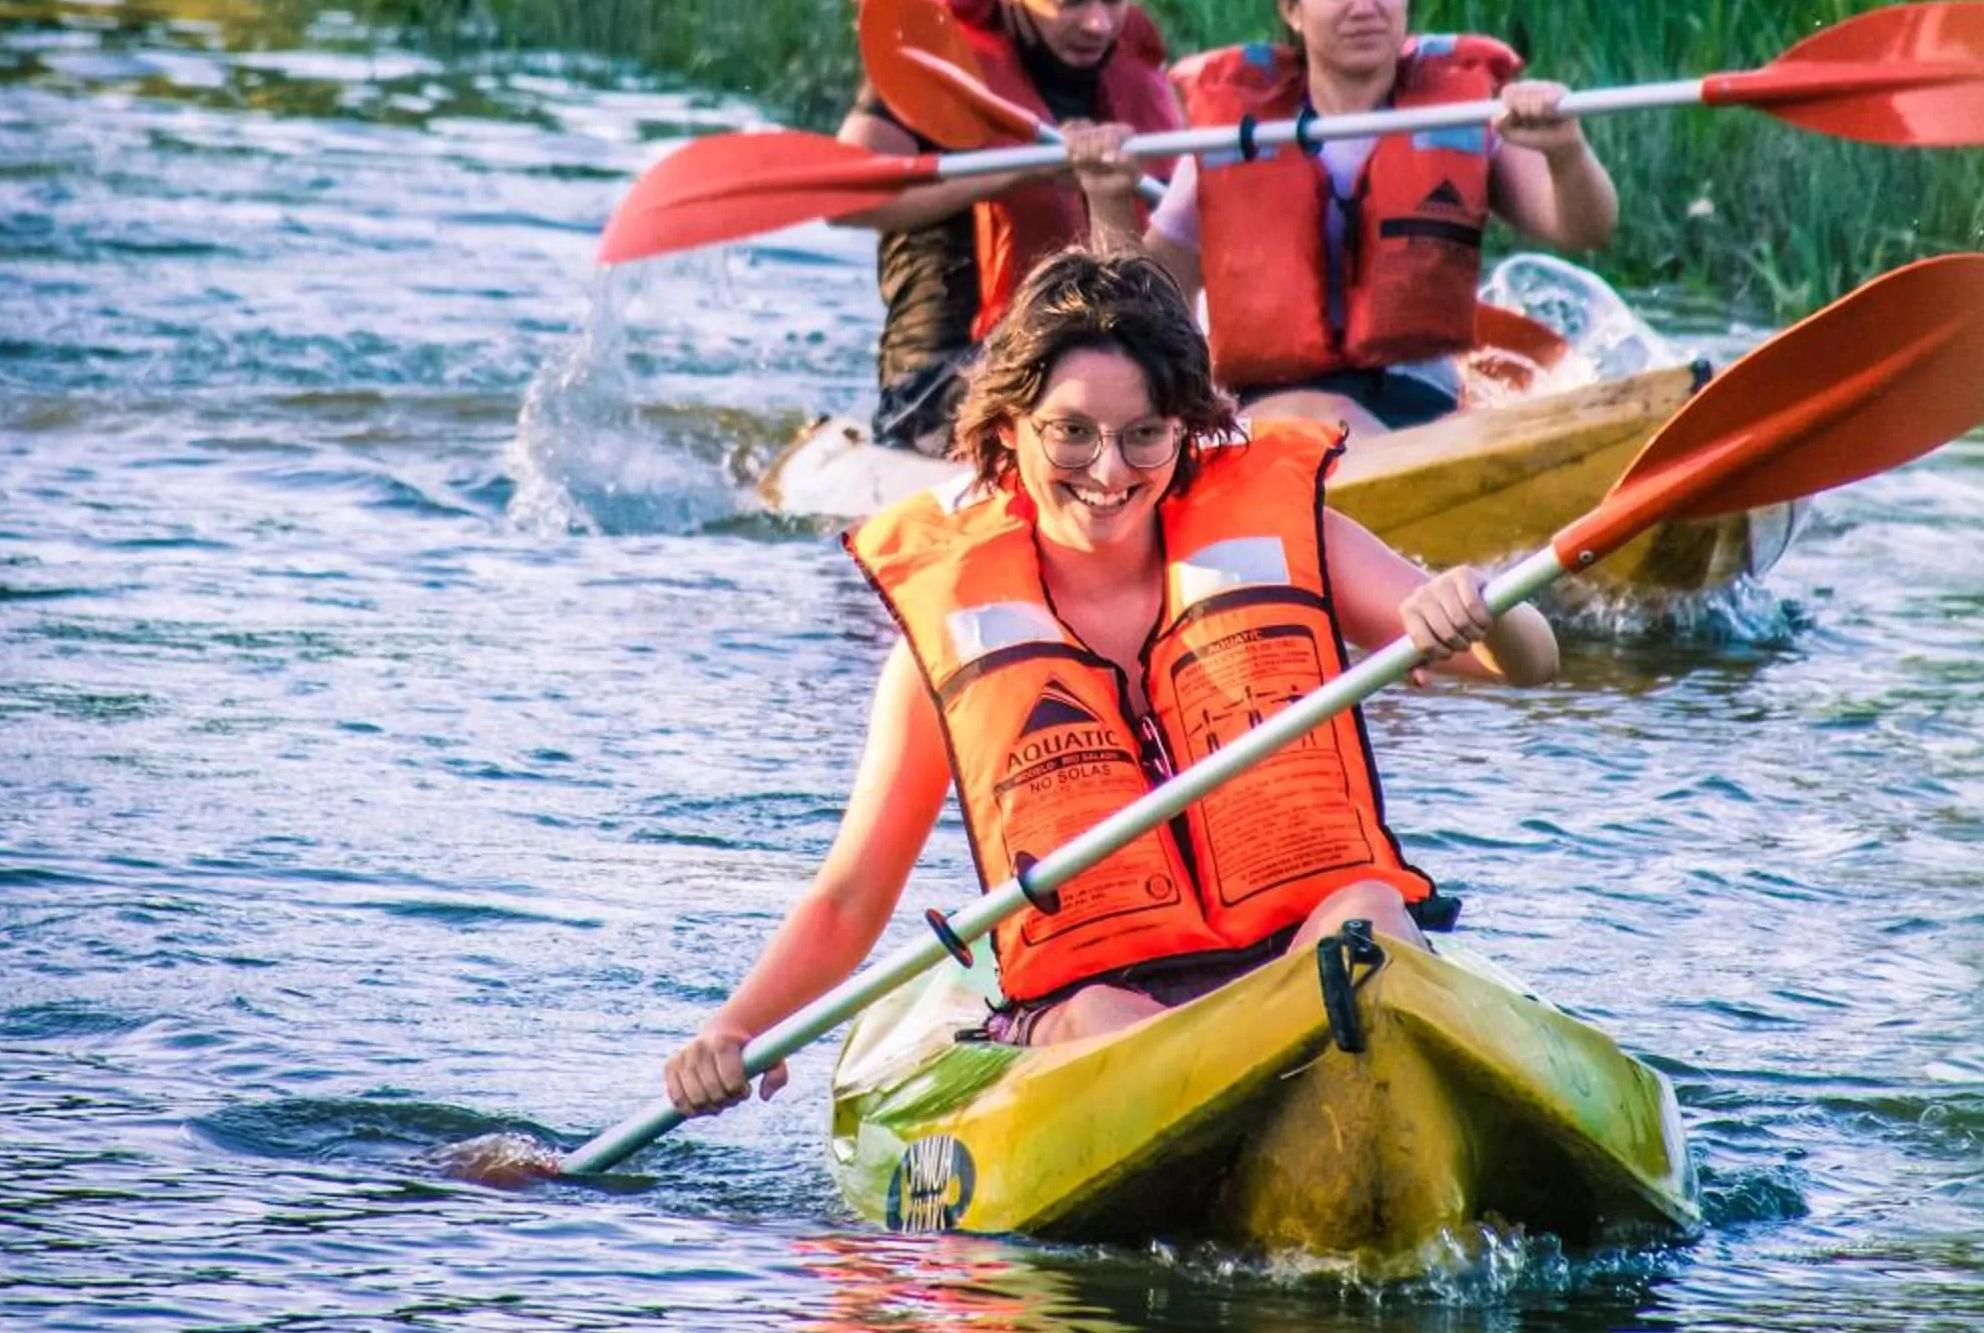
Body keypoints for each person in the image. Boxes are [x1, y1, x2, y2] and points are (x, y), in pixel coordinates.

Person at [664, 250, 1558, 1115]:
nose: (1108, 469)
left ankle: (1365, 1109)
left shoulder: (1296, 543)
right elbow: (852, 894)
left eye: (1143, 436)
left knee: (1368, 913)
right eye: (1072, 432)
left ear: (1186, 430)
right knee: (1105, 1020)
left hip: (1297, 955)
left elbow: (1529, 660)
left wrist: (1484, 611)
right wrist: (738, 1028)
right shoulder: (949, 643)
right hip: (1101, 993)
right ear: (1009, 431)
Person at [1126, 0, 1619, 436]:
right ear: (1292, 8)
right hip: (1268, 422)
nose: (1364, 5)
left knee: (1339, 422)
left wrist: (1565, 150)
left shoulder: (1463, 116)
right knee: (1318, 419)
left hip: (1416, 417)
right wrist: (1105, 195)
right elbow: (1144, 299)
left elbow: (1584, 229)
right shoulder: (1241, 135)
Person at [841, 0, 1186, 456]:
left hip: (1089, 366)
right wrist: (1026, 168)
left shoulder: (1134, 79)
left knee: (1141, 364)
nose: (1098, 22)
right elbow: (845, 200)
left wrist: (1105, 191)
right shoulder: (938, 66)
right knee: (1077, 383)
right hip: (934, 385)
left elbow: (1149, 299)